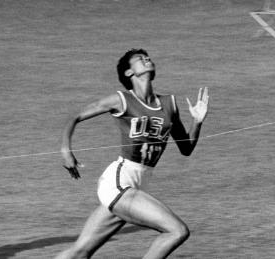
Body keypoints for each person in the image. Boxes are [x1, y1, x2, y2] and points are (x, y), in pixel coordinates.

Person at [56, 48, 209, 259]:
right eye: (140, 59)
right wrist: (66, 150)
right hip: (119, 182)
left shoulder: (169, 104)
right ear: (129, 73)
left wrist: (197, 122)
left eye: (148, 57)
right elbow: (75, 116)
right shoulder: (122, 100)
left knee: (80, 252)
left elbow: (186, 148)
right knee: (177, 231)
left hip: (138, 185)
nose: (147, 59)